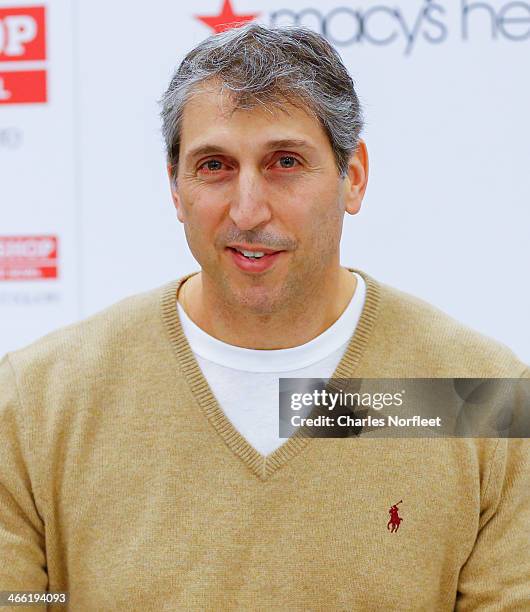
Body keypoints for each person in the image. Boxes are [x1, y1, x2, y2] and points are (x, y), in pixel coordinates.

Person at [0, 23, 528, 611]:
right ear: (174, 190)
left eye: (284, 162)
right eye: (214, 166)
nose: (248, 210)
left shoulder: (482, 397)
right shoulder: (33, 403)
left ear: (352, 177)